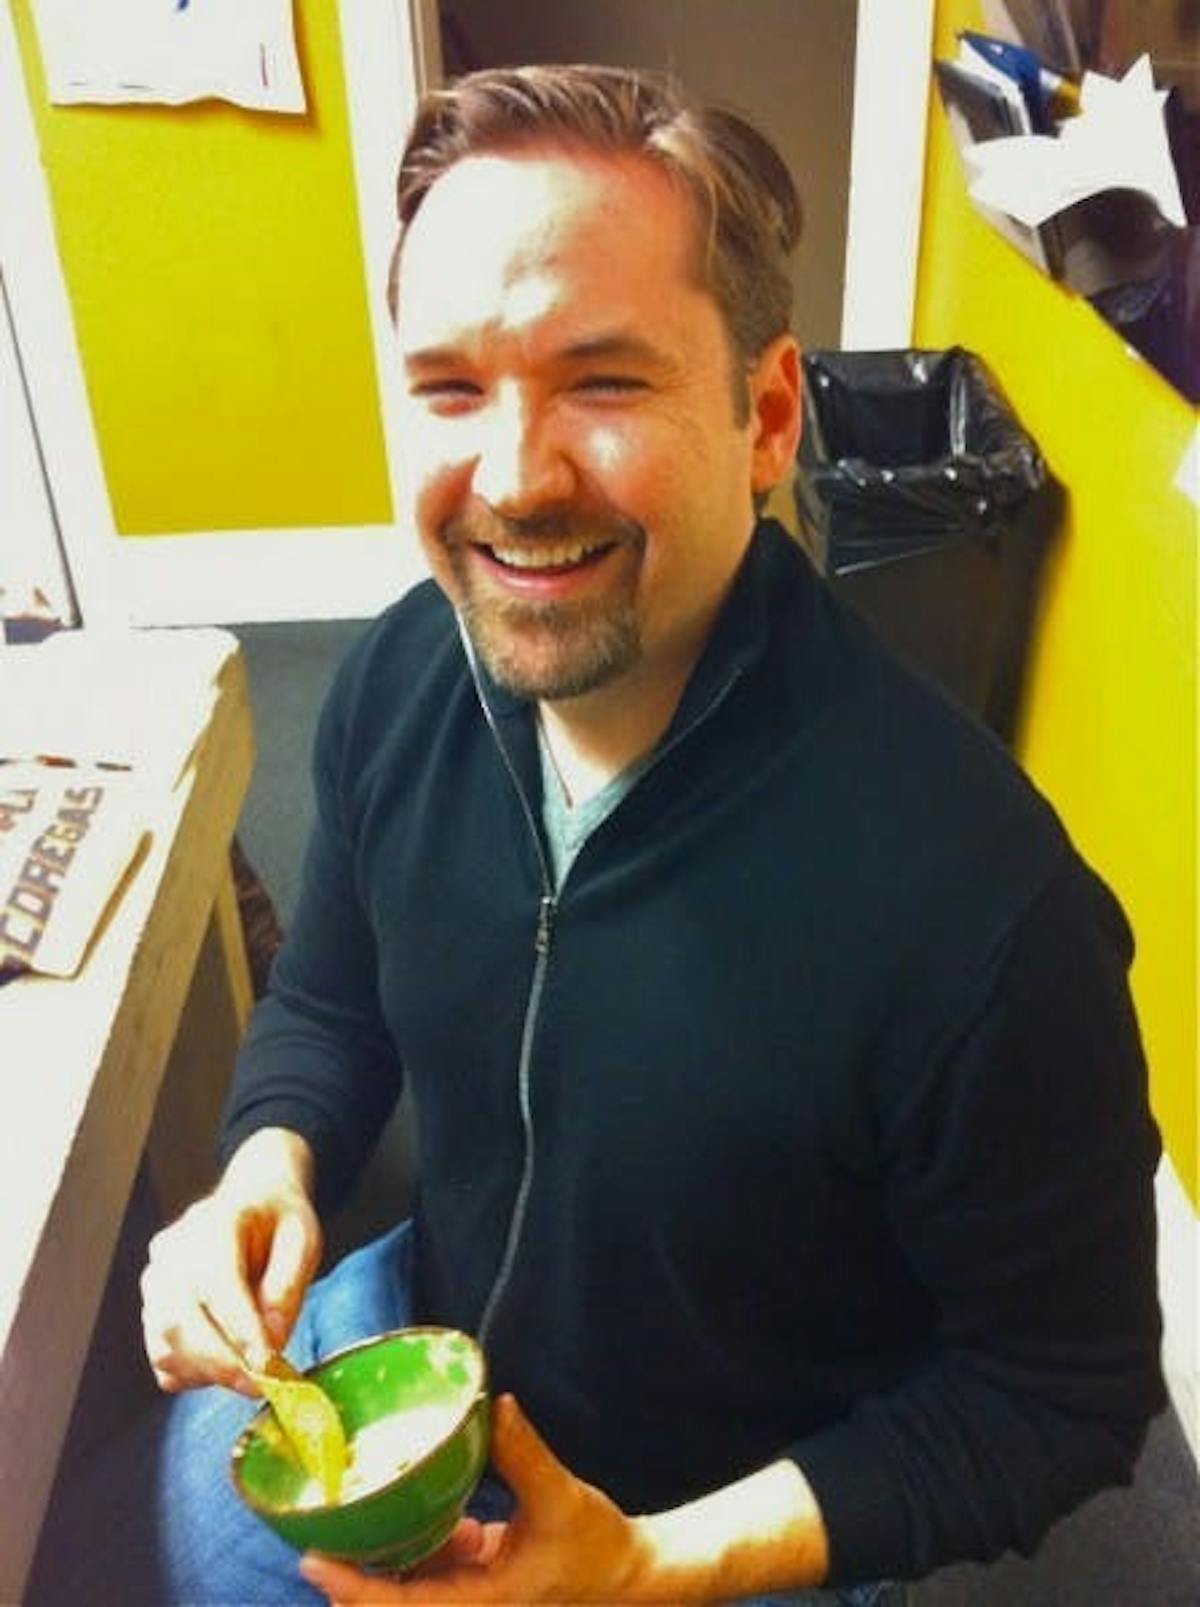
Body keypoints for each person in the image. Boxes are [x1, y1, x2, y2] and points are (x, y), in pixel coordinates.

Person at [37, 64, 1163, 1606]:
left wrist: (650, 1570)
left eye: (604, 381)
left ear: (765, 416)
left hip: (732, 1513)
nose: (512, 477)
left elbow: (1064, 1396)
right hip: (425, 1373)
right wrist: (266, 1167)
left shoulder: (983, 914)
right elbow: (332, 1001)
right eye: (449, 387)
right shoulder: (397, 682)